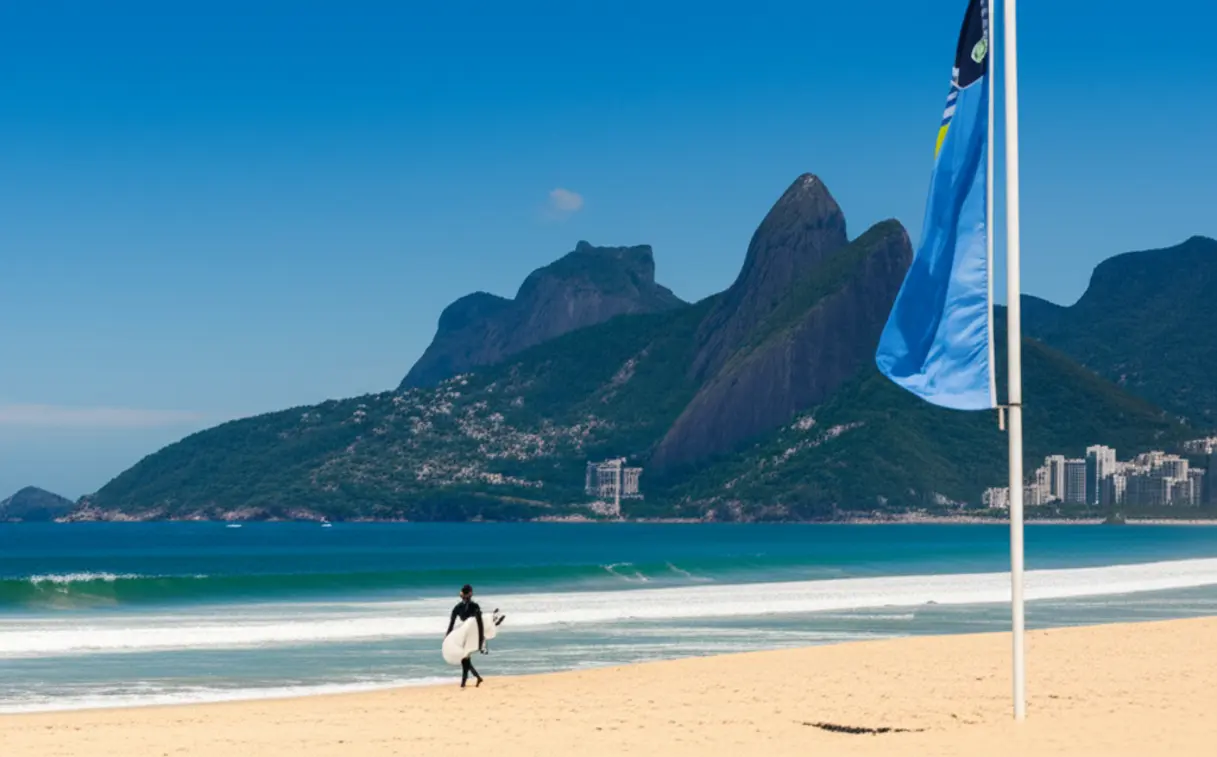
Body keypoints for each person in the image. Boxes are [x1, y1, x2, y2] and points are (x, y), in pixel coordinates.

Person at [446, 584, 485, 688]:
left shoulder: (470, 607)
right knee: (465, 659)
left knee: (465, 659)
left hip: (471, 635)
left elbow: (480, 624)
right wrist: (447, 639)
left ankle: (463, 683)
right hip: (463, 635)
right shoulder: (460, 607)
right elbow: (451, 624)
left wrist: (481, 641)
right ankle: (477, 678)